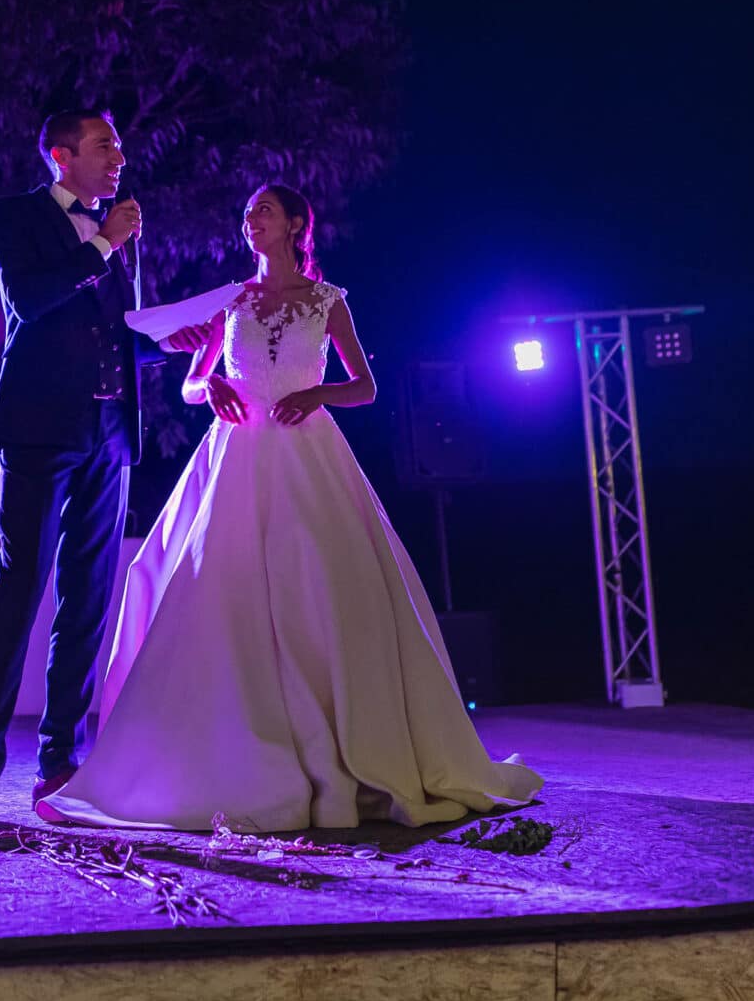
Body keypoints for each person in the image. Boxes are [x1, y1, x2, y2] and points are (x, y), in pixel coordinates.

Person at [37, 184, 542, 831]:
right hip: (237, 454)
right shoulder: (232, 300)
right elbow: (193, 381)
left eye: (264, 212)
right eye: (247, 213)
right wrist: (209, 381)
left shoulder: (327, 302)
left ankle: (347, 748)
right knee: (217, 591)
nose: (251, 222)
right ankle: (219, 752)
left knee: (321, 592)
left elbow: (366, 386)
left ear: (296, 225)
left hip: (308, 456)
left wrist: (318, 393)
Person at [0, 111, 214, 833]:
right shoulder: (15, 217)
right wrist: (104, 241)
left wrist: (167, 341)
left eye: (118, 146)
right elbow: (31, 304)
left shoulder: (108, 233)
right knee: (20, 585)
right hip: (38, 430)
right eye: (104, 146)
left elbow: (109, 333)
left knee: (88, 598)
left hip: (109, 435)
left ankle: (61, 764)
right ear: (63, 156)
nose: (119, 157)